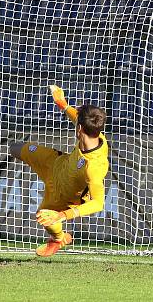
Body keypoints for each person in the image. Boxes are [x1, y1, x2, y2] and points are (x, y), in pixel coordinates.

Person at [9, 85, 109, 257]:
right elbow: (77, 118)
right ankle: (58, 236)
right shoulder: (94, 133)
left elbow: (98, 203)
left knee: (44, 216)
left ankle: (58, 238)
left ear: (80, 130)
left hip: (63, 196)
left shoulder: (94, 167)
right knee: (15, 148)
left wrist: (62, 215)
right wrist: (62, 104)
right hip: (54, 163)